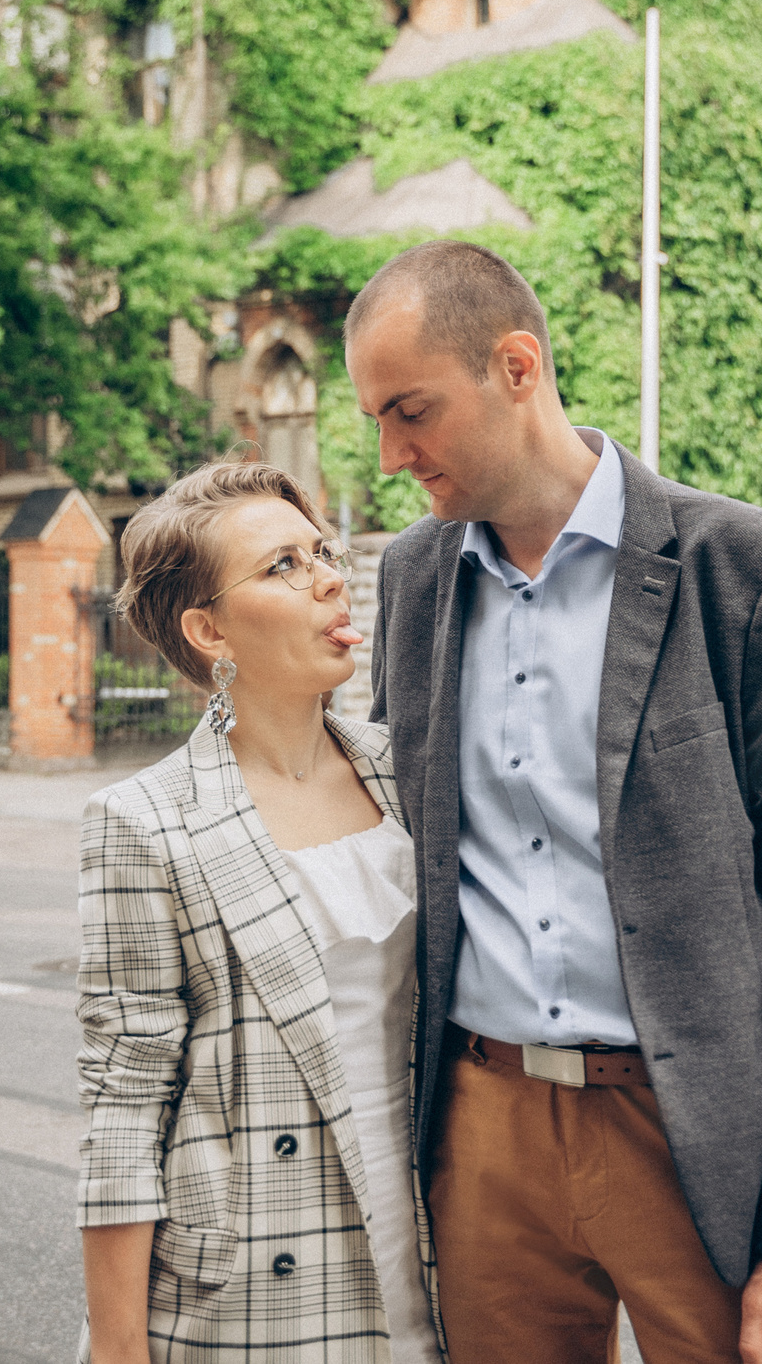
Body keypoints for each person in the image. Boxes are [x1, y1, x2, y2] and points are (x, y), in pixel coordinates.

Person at [345, 239, 762, 1364]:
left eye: (411, 412)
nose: (393, 455)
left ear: (516, 366)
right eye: (379, 422)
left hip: (688, 1129)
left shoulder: (745, 567)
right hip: (480, 1127)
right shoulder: (410, 581)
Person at [76, 459, 442, 1364]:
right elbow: (124, 1107)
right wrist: (119, 1350)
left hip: (434, 1245)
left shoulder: (410, 772)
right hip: (250, 1283)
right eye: (281, 565)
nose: (327, 577)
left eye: (322, 550)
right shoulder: (145, 821)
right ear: (209, 629)